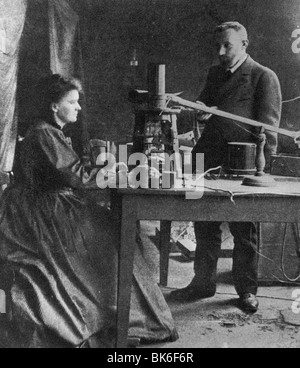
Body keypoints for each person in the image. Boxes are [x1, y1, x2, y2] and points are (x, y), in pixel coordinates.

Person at [0, 74, 178, 348]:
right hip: (41, 212)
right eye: (72, 101)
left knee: (112, 230)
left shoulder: (50, 132)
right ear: (53, 106)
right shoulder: (44, 133)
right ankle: (120, 317)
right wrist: (117, 172)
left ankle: (125, 312)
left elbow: (73, 173)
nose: (78, 107)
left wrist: (113, 170)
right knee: (113, 235)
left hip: (47, 204)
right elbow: (79, 178)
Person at [170, 22, 282, 312]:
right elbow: (204, 106)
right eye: (218, 46)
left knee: (244, 228)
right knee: (202, 221)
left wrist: (262, 170)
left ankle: (246, 290)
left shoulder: (263, 77)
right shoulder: (215, 73)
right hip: (206, 157)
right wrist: (197, 111)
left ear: (244, 44)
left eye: (227, 46)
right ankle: (202, 283)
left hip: (243, 163)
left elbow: (269, 129)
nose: (220, 52)